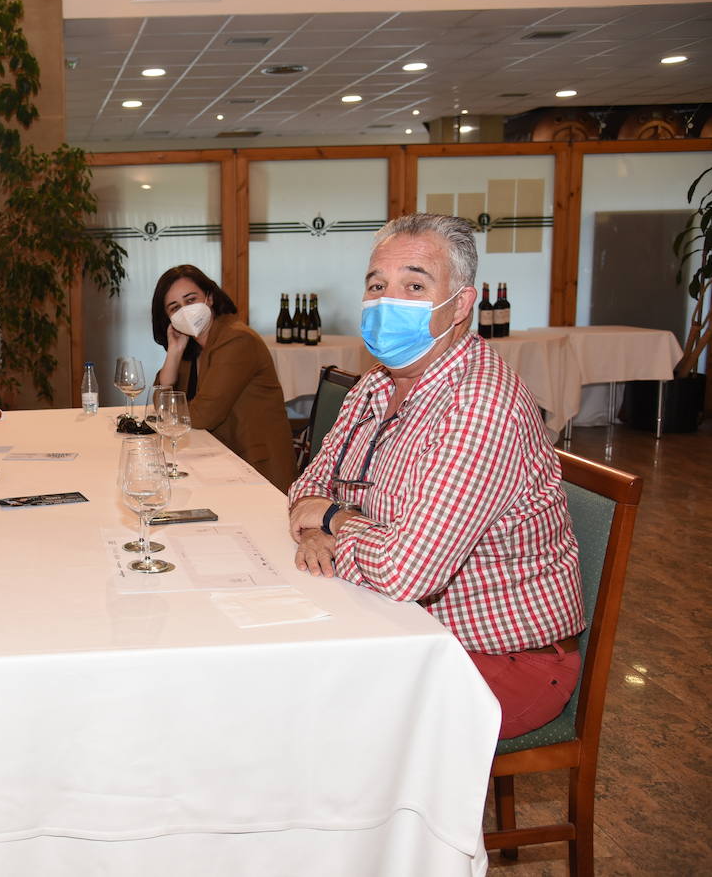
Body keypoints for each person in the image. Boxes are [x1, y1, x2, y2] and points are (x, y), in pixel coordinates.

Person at [287, 213, 584, 740]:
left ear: (463, 303)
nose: (386, 301)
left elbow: (406, 574)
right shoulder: (378, 384)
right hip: (402, 628)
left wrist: (333, 519)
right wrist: (315, 522)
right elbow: (307, 485)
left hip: (500, 659)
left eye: (414, 285)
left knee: (313, 720)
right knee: (284, 684)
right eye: (377, 286)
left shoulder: (479, 404)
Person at [152, 264, 296, 491]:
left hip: (256, 466)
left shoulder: (236, 339)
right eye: (174, 307)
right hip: (220, 458)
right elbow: (161, 403)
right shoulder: (192, 345)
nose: (185, 311)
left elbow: (202, 416)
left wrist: (172, 408)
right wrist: (174, 352)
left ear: (209, 297)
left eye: (191, 300)